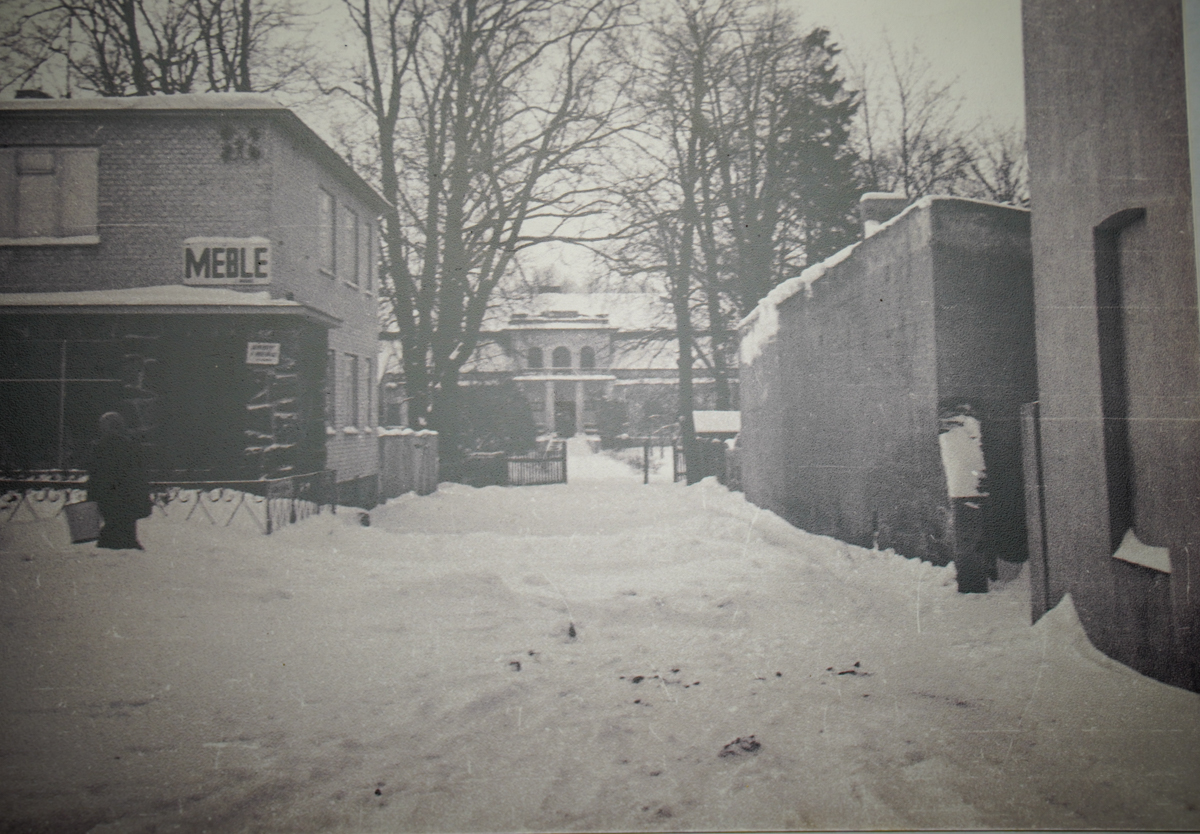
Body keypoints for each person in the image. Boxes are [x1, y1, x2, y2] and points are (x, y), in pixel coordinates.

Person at [88, 411, 150, 550]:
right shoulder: (130, 445)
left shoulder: (101, 446)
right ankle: (127, 543)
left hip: (108, 492)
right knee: (125, 522)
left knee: (113, 522)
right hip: (127, 493)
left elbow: (95, 471)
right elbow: (138, 470)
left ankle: (117, 545)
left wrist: (92, 493)